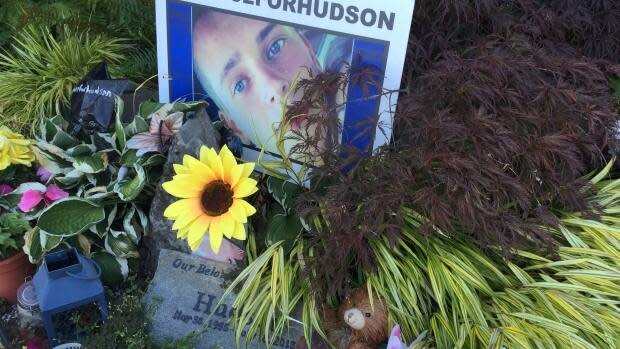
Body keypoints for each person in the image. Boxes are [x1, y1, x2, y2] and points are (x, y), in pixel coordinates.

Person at [192, 8, 352, 156]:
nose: (274, 87)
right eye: (240, 85)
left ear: (309, 48)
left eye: (276, 46)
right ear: (234, 127)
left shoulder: (348, 66)